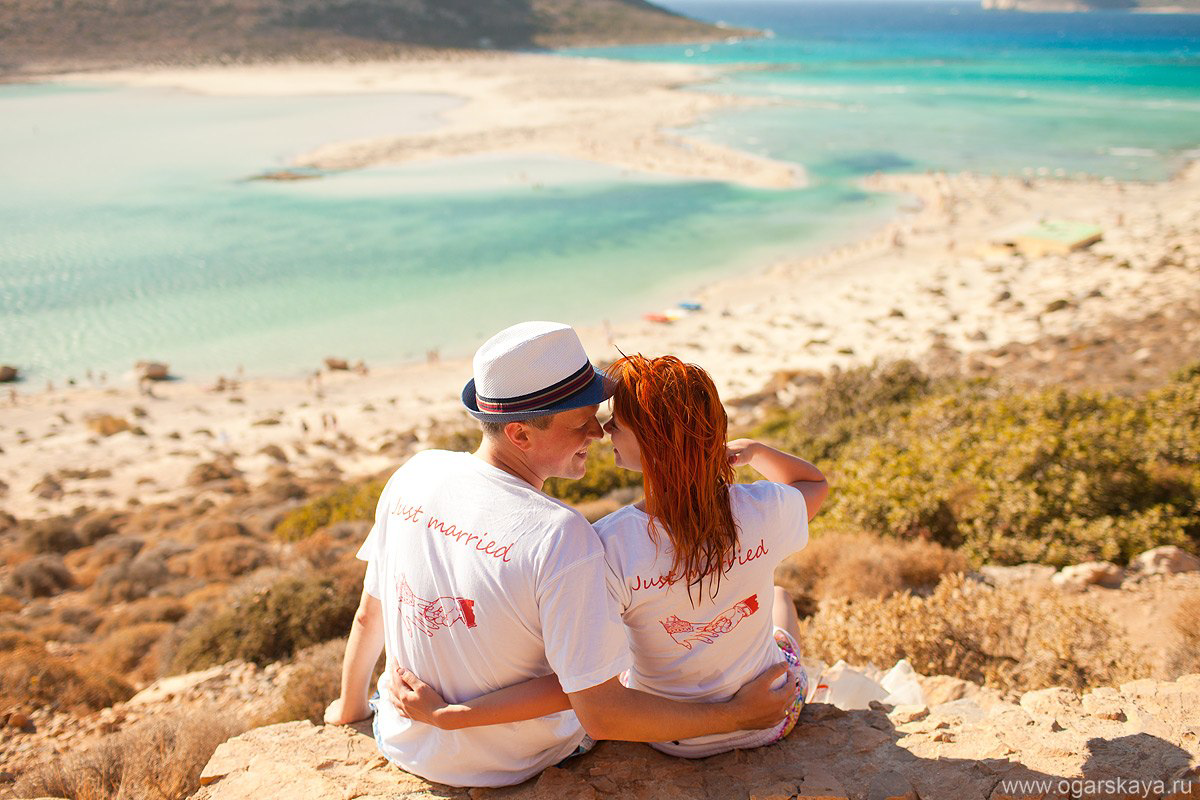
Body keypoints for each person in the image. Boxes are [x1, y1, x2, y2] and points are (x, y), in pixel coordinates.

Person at [324, 323, 795, 788]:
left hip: (403, 739)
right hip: (521, 760)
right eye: (580, 422)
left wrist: (351, 710)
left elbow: (370, 615)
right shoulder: (560, 535)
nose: (598, 431)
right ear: (520, 435)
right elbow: (600, 708)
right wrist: (736, 713)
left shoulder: (416, 472)